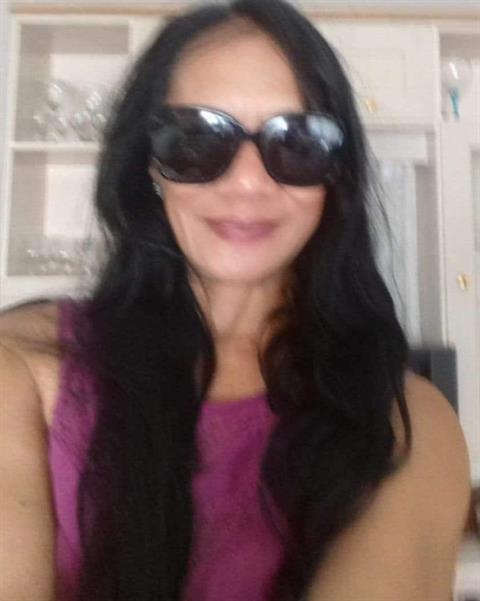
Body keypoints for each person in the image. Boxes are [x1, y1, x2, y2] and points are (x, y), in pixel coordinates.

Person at [0, 1, 471, 600]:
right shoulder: (21, 369)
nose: (248, 181)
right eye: (197, 138)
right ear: (150, 167)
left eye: (297, 142)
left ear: (335, 178)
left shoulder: (407, 422)